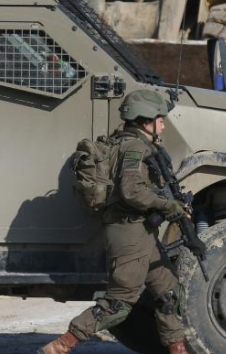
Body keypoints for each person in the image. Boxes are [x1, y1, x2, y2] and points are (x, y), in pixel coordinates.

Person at [38, 90, 191, 354]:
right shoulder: (135, 148)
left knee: (169, 294)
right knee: (118, 304)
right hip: (129, 234)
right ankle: (60, 346)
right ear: (145, 121)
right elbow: (132, 191)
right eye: (160, 118)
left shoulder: (131, 144)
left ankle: (178, 350)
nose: (164, 123)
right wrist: (168, 206)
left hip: (143, 233)